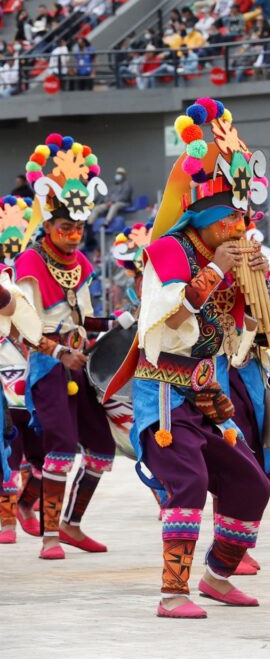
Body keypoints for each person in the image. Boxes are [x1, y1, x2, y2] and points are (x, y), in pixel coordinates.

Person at [119, 98, 270, 618]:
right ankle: (172, 593)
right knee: (188, 481)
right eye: (229, 218)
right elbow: (164, 321)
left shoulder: (229, 254)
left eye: (241, 217)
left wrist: (259, 293)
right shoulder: (166, 251)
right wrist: (213, 274)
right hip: (164, 387)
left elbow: (245, 329)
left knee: (251, 480)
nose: (238, 226)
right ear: (202, 218)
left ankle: (217, 576)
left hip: (211, 386)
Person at [15, 134, 126, 561]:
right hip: (46, 365)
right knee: (60, 447)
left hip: (80, 364)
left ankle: (70, 524)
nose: (75, 235)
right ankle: (48, 537)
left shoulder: (80, 264)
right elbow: (24, 328)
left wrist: (121, 324)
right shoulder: (29, 263)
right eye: (66, 227)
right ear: (47, 226)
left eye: (80, 227)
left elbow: (85, 320)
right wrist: (59, 352)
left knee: (100, 449)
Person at [0, 195, 42, 545]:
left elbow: (15, 309)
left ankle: (17, 510)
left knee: (17, 436)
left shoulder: (7, 275)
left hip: (12, 363)